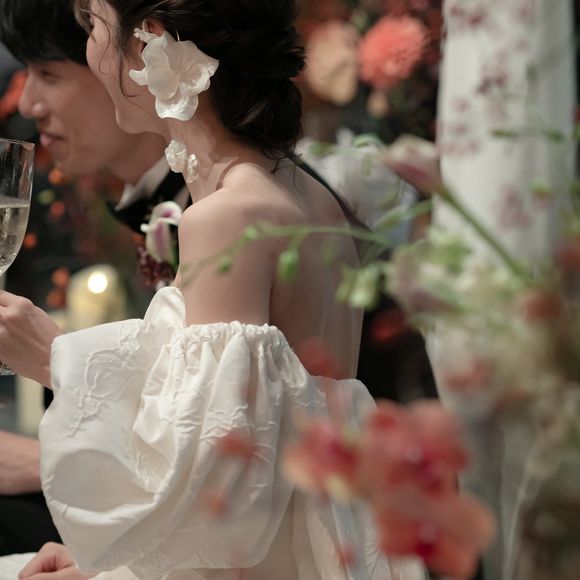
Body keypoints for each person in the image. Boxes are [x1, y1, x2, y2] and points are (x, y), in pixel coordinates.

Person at [0, 0, 427, 578]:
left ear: (149, 42)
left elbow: (223, 489)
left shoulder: (225, 217)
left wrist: (57, 361)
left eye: (92, 26)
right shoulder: (304, 191)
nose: (90, 50)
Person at [0, 0, 188, 555]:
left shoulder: (232, 211)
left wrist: (42, 455)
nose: (27, 103)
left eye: (49, 73)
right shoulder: (151, 205)